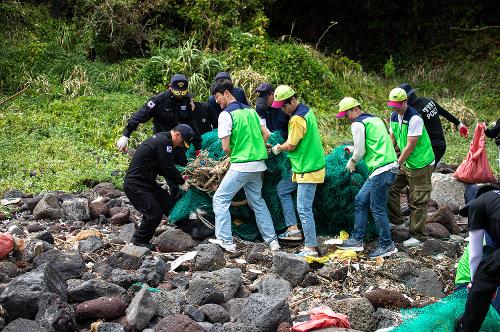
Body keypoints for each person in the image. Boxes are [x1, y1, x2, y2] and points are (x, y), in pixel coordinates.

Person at [209, 78, 279, 253]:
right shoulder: (251, 111)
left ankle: (226, 241)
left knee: (220, 199)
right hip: (258, 165)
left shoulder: (225, 115)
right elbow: (267, 134)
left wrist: (239, 153)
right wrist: (255, 149)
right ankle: (273, 241)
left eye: (217, 96)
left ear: (226, 93)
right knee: (258, 201)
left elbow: (226, 148)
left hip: (241, 166)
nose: (216, 101)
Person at [335, 97, 399, 258]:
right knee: (360, 200)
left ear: (355, 109)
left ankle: (386, 244)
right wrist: (353, 148)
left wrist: (352, 161)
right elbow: (371, 143)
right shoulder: (375, 120)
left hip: (381, 169)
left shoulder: (357, 123)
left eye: (347, 115)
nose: (346, 119)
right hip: (387, 167)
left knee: (377, 208)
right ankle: (357, 238)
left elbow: (360, 151)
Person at [271, 85, 326, 257]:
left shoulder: (297, 119)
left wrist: (277, 148)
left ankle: (310, 248)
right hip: (301, 166)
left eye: (284, 106)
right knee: (283, 189)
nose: (283, 110)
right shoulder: (308, 111)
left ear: (293, 101)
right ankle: (293, 229)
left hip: (308, 169)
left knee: (303, 207)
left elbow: (291, 144)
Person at [123, 125, 194, 249]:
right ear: (177, 135)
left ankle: (192, 229)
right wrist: (181, 181)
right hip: (135, 185)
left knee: (170, 206)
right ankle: (139, 240)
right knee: (154, 214)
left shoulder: (164, 140)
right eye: (182, 142)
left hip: (148, 183)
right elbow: (168, 167)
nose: (181, 145)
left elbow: (164, 166)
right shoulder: (163, 142)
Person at [387, 87, 435, 247]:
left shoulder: (415, 119)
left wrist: (397, 163)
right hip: (406, 163)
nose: (394, 108)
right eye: (392, 105)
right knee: (390, 187)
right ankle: (397, 221)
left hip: (420, 164)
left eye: (397, 105)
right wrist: (388, 156)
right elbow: (392, 138)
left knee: (417, 200)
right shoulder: (394, 116)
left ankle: (419, 236)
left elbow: (410, 146)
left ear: (405, 102)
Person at [116, 74, 202, 155]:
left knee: (182, 163)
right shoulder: (159, 100)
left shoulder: (186, 99)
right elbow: (139, 116)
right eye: (177, 92)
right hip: (161, 140)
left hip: (179, 143)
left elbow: (191, 122)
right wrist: (125, 135)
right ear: (170, 87)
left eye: (182, 92)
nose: (180, 95)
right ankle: (134, 152)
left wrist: (198, 147)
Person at [455, 186, 500, 332]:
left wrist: (475, 282)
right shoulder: (495, 203)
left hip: (466, 283)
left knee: (485, 276)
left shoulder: (478, 205)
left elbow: (475, 255)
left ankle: (465, 328)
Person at [399, 83, 468, 166]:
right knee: (424, 173)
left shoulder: (415, 113)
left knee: (424, 173)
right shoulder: (428, 101)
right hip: (439, 144)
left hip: (432, 147)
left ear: (406, 98)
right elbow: (444, 112)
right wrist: (460, 124)